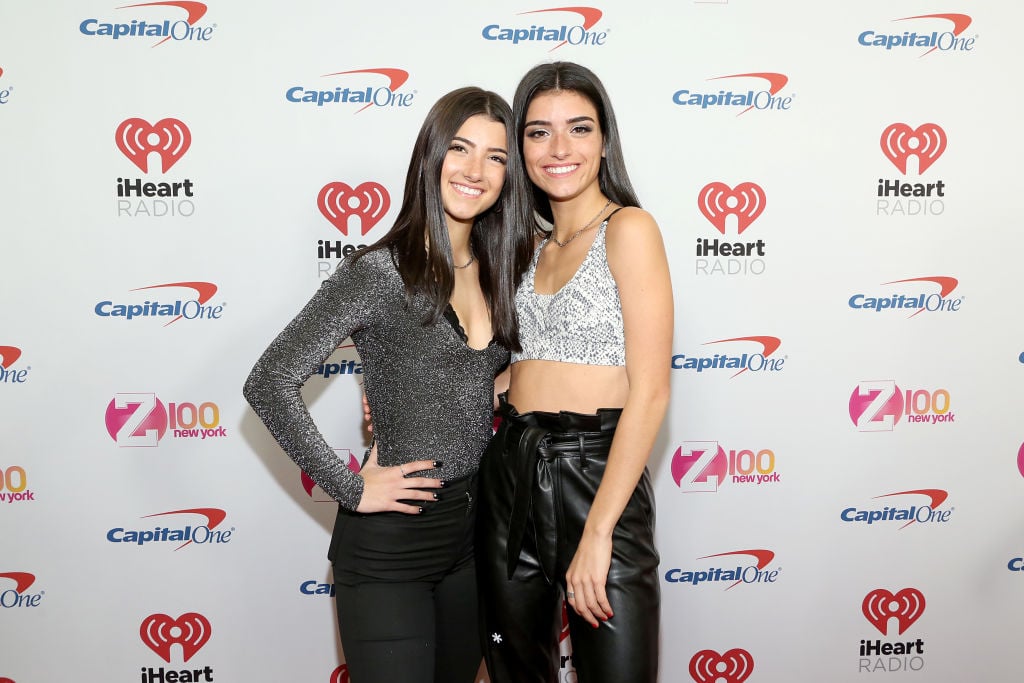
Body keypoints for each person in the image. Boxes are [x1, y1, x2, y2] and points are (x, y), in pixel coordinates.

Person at [243, 86, 532, 683]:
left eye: (497, 157)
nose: (476, 170)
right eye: (460, 148)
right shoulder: (378, 271)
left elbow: (484, 379)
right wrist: (350, 487)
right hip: (389, 550)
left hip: (473, 539)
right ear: (431, 155)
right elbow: (270, 381)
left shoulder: (501, 269)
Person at [475, 61, 673, 683]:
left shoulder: (629, 229)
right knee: (514, 671)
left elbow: (651, 392)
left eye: (578, 128)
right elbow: (513, 371)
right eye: (538, 132)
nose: (559, 149)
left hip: (597, 475)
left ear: (604, 140)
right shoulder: (524, 248)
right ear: (519, 147)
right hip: (512, 473)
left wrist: (598, 533)